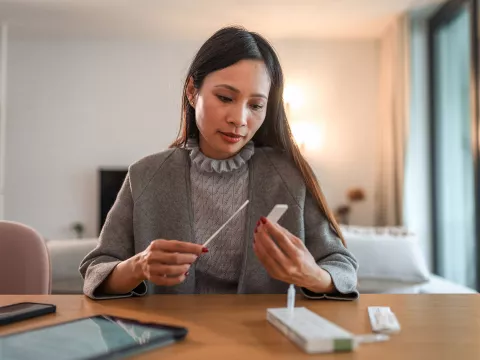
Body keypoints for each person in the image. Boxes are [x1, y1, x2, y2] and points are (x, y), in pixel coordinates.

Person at [79, 26, 359, 300]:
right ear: (192, 91)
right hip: (171, 340)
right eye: (225, 98)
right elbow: (96, 270)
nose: (239, 118)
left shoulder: (289, 176)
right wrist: (137, 267)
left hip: (268, 340)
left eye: (256, 105)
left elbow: (341, 265)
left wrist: (313, 276)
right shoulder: (145, 175)